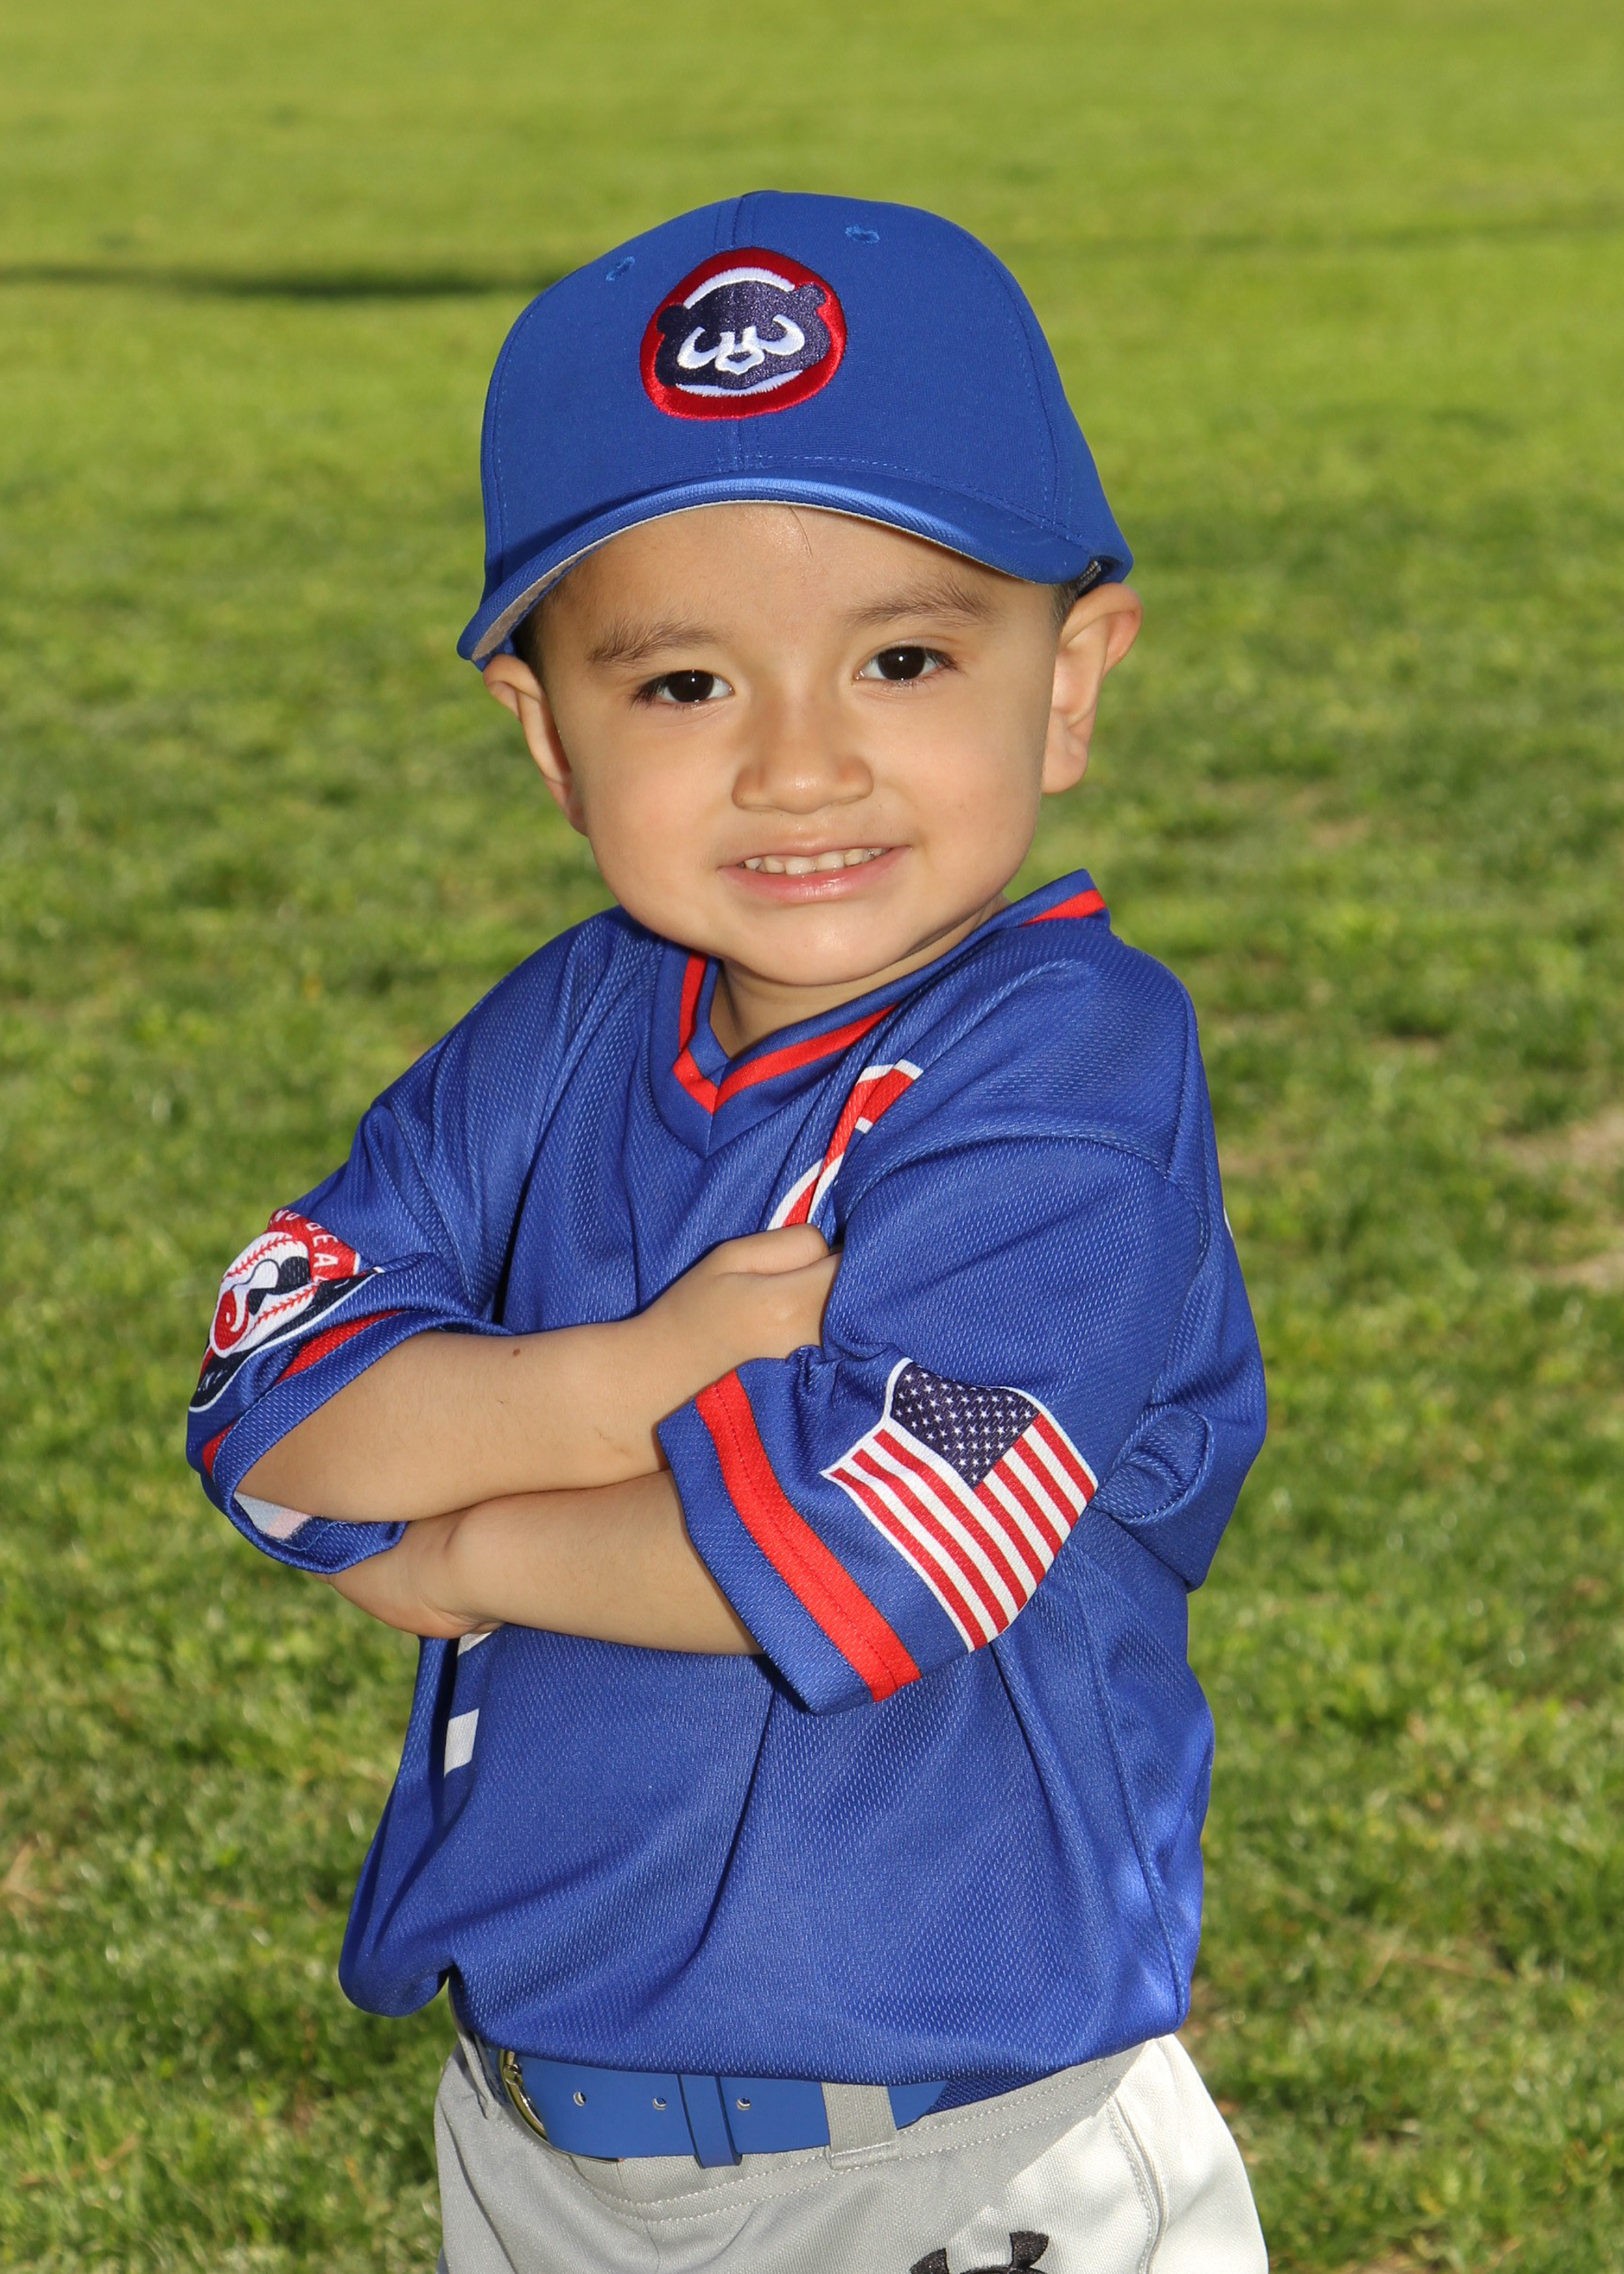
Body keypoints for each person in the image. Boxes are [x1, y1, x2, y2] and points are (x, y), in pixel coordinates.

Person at [187, 192, 1269, 2274]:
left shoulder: (1066, 1072)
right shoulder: (568, 1027)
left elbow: (898, 1545)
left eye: (901, 658)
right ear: (547, 733)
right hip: (539, 2142)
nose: (797, 761)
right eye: (683, 680)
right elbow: (270, 1401)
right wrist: (617, 1381)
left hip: (957, 2159)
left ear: (1068, 681)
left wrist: (464, 1546)